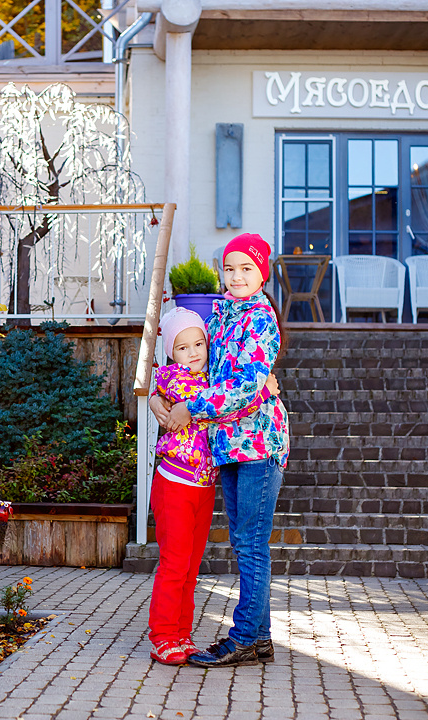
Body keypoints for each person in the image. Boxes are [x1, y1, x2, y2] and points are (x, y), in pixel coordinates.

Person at [151, 232, 289, 669]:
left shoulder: (261, 317)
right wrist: (158, 400)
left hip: (257, 443)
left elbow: (244, 385)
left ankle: (246, 637)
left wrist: (191, 408)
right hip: (226, 446)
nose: (236, 276)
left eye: (246, 268)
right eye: (229, 268)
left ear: (262, 273)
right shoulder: (222, 314)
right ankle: (260, 638)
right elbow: (189, 364)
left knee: (250, 544)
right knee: (244, 542)